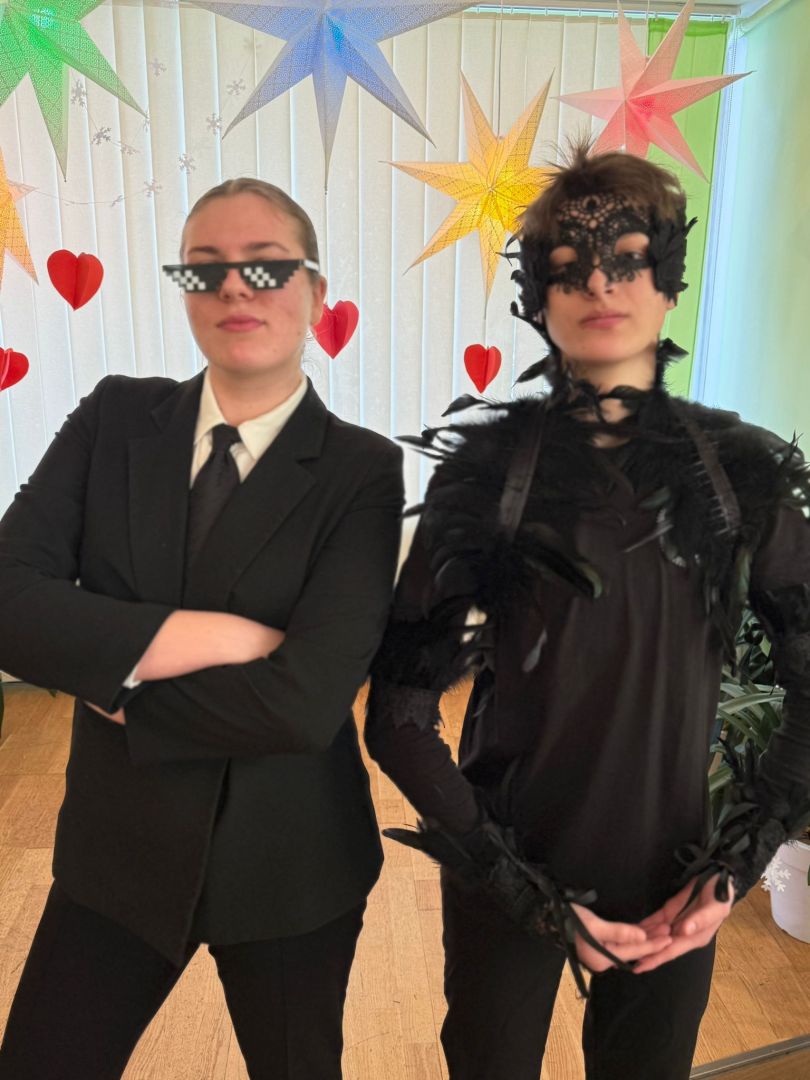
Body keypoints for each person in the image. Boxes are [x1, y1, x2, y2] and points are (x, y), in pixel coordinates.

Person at [364, 144, 810, 1080]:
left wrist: (737, 863)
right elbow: (399, 710)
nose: (600, 284)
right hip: (504, 869)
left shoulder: (739, 478)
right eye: (568, 268)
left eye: (628, 259)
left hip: (676, 883)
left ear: (669, 283)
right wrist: (510, 882)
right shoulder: (486, 479)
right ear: (538, 298)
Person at [0, 178, 403, 1079]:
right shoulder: (113, 418)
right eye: (204, 268)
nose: (232, 288)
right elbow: (7, 598)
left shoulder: (362, 470)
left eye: (266, 267)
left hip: (290, 866)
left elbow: (304, 703)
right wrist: (222, 637)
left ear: (316, 293)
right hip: (116, 854)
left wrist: (122, 693)